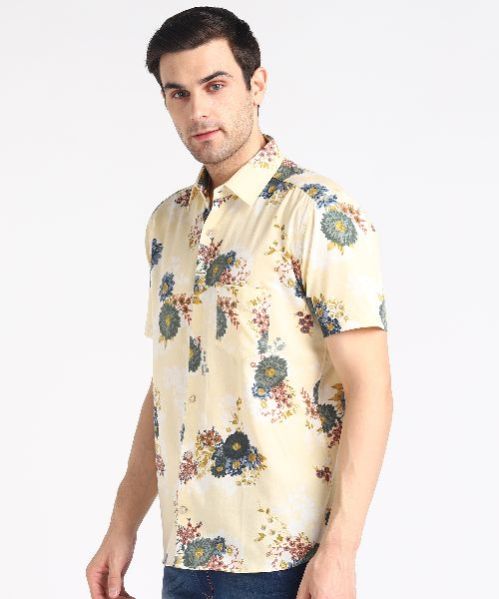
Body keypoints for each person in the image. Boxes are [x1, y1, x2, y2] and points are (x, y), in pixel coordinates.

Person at [86, 7, 393, 599]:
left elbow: (371, 387)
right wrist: (121, 528)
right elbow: (168, 386)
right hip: (185, 554)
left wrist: (340, 551)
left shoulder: (317, 211)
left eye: (215, 85)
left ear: (257, 84)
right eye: (178, 93)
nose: (197, 111)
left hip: (284, 560)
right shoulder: (167, 223)